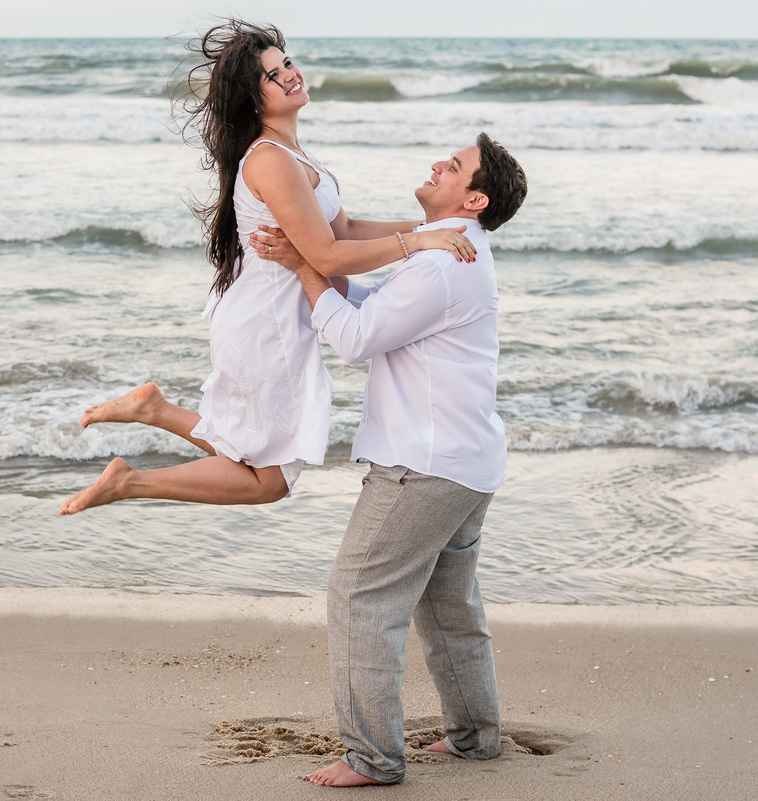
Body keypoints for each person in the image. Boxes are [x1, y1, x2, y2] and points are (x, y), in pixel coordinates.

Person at [59, 20, 475, 515]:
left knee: (258, 459)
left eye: (287, 64)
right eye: (273, 76)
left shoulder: (294, 152)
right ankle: (129, 480)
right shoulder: (270, 160)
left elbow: (346, 229)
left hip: (280, 319)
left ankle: (154, 411)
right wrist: (421, 240)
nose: (290, 75)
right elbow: (326, 256)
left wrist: (446, 223)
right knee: (269, 477)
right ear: (252, 99)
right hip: (265, 324)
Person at [252, 133, 527, 786]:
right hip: (467, 461)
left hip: (423, 466)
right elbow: (376, 311)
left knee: (359, 597)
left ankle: (373, 756)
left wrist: (302, 266)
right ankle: (475, 736)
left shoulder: (439, 265)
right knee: (447, 605)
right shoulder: (453, 254)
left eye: (453, 166)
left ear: (475, 197)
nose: (438, 164)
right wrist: (315, 265)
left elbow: (354, 338)